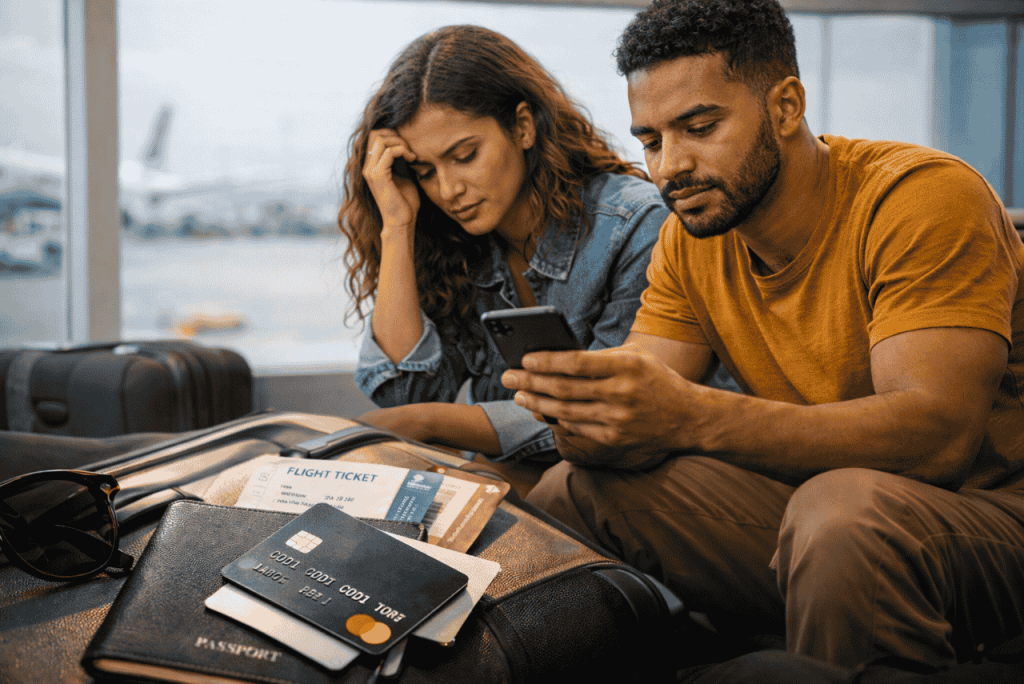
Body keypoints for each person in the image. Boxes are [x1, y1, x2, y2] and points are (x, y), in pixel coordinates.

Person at [502, 0, 1024, 673]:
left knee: (841, 513)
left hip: (988, 517)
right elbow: (641, 396)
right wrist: (589, 415)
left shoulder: (920, 199)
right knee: (573, 489)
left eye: (698, 127)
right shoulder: (692, 240)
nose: (668, 168)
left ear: (785, 107)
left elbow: (941, 438)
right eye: (652, 140)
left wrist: (691, 417)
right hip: (828, 508)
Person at [339, 25, 691, 467]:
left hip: (622, 485)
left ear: (522, 127)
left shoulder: (636, 227)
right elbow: (405, 394)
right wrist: (397, 224)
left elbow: (607, 414)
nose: (448, 190)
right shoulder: (456, 247)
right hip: (528, 480)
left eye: (464, 156)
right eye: (425, 171)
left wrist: (431, 421)